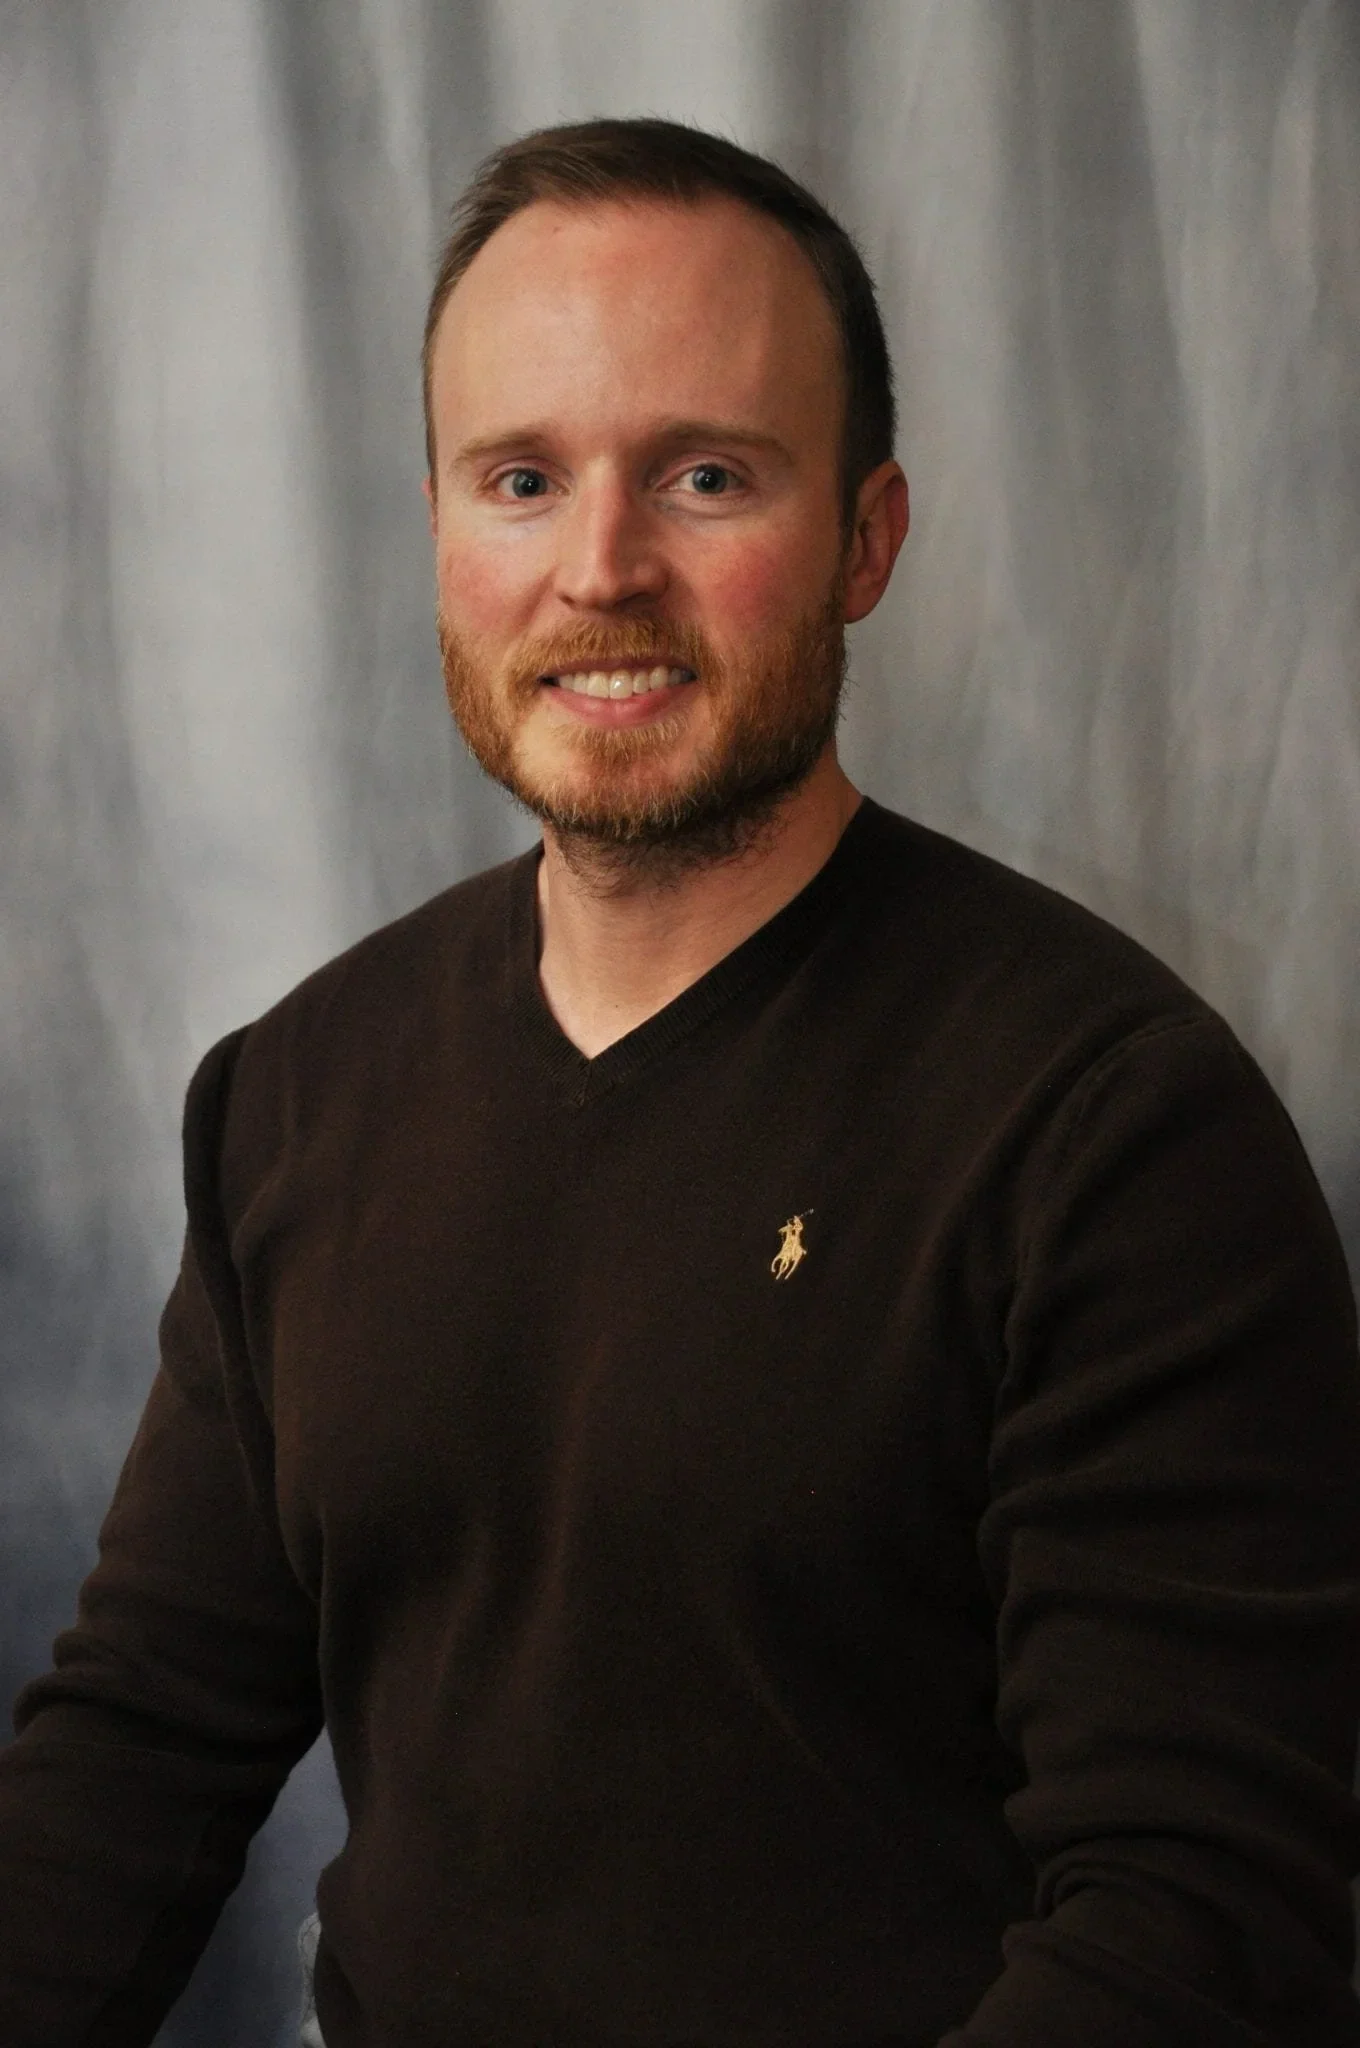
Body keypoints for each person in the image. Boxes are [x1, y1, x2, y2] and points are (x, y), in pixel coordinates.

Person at [2, 116, 1358, 2048]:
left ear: (866, 540)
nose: (601, 569)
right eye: (523, 479)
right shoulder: (293, 1098)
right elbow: (138, 1750)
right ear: (442, 531)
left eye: (706, 476)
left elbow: (1197, 1919)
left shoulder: (1113, 1129)